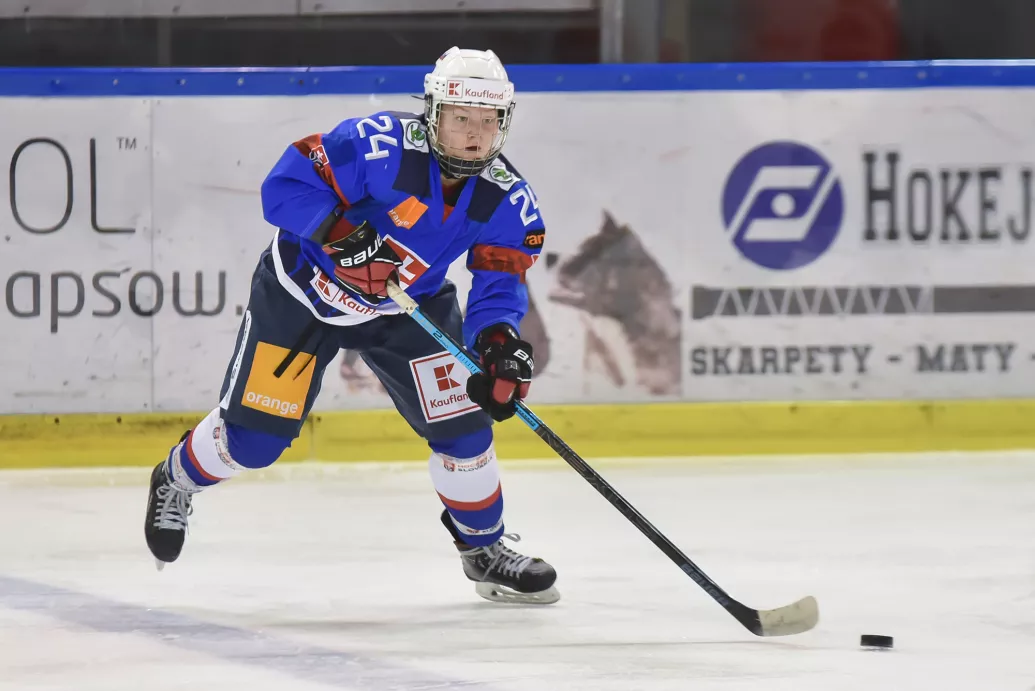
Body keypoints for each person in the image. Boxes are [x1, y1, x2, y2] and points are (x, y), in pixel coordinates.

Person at [143, 47, 558, 605]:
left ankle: (482, 548)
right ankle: (175, 477)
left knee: (464, 429)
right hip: (303, 296)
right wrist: (340, 234)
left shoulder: (508, 197)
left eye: (488, 120)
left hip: (407, 308)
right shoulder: (376, 145)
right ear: (433, 113)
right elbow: (284, 187)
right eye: (461, 117)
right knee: (255, 442)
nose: (474, 135)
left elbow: (499, 281)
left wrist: (498, 343)